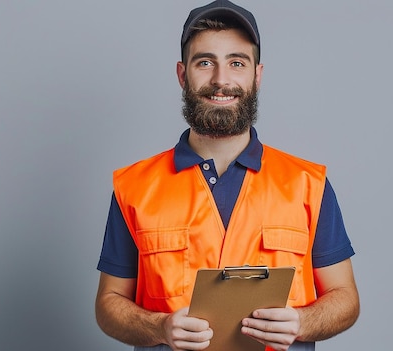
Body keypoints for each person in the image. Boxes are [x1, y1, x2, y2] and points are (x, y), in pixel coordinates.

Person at [95, 1, 359, 350]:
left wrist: (302, 322)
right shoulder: (135, 187)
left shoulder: (308, 185)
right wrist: (160, 327)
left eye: (237, 62)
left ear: (257, 74)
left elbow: (346, 298)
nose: (221, 80)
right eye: (205, 62)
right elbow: (108, 303)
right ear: (182, 74)